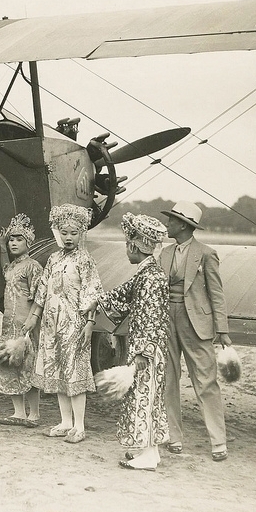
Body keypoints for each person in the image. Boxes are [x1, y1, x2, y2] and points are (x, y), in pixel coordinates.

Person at [23, 204, 103, 444]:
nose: (69, 237)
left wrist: (89, 323)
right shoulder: (53, 259)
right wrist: (33, 317)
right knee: (57, 370)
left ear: (81, 233)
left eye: (74, 233)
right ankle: (65, 422)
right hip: (51, 324)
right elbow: (42, 290)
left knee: (74, 372)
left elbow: (92, 292)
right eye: (64, 232)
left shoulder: (85, 260)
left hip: (74, 324)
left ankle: (79, 426)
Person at [158, 201, 231, 462]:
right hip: (166, 320)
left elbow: (217, 294)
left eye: (171, 221)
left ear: (183, 225)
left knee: (205, 381)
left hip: (197, 324)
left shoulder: (207, 253)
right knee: (168, 378)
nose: (167, 225)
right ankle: (174, 437)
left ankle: (218, 442)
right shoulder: (163, 253)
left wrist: (221, 329)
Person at [97, 212, 170, 471]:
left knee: (144, 397)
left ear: (135, 246)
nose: (126, 249)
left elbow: (151, 318)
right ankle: (150, 451)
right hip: (148, 349)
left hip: (146, 351)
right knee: (147, 397)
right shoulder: (148, 272)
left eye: (128, 244)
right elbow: (123, 293)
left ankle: (149, 456)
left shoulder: (149, 277)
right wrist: (98, 299)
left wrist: (142, 353)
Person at [0, 214, 43, 427]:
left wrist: (33, 320)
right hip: (9, 324)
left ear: (28, 242)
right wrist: (1, 247)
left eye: (18, 239)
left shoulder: (33, 266)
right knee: (10, 364)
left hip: (26, 325)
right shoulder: (13, 267)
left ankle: (34, 414)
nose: (13, 242)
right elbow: (5, 270)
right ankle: (18, 413)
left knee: (28, 367)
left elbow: (40, 296)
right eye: (11, 239)